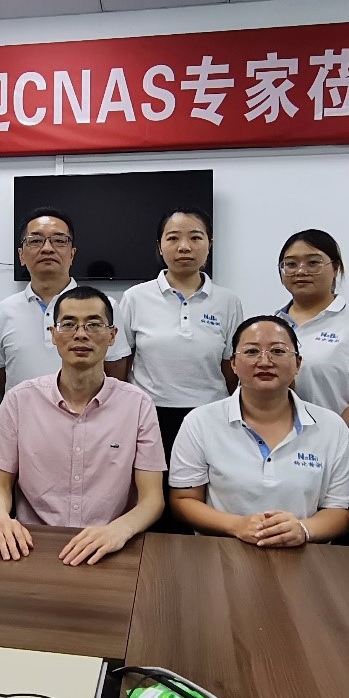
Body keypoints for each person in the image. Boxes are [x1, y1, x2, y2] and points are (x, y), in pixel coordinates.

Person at [0, 286, 165, 566]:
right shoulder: (19, 400)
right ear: (53, 334)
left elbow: (152, 499)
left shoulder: (138, 405)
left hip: (109, 546)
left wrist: (119, 530)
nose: (81, 334)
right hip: (32, 543)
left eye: (94, 324)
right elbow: (0, 484)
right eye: (68, 324)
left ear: (112, 336)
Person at [169, 315, 349, 544]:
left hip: (305, 553)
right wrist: (237, 526)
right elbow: (184, 499)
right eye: (251, 351)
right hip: (222, 550)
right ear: (233, 363)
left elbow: (342, 509)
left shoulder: (331, 427)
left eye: (278, 351)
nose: (264, 361)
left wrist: (302, 529)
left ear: (298, 363)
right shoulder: (200, 422)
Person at [117, 207, 242, 531]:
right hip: (150, 417)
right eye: (173, 238)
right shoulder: (135, 298)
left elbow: (231, 366)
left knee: (203, 504)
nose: (184, 247)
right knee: (152, 505)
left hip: (210, 418)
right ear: (160, 246)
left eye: (195, 237)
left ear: (209, 245)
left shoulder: (228, 301)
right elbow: (121, 363)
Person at [273, 229, 349, 546]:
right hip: (275, 448)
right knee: (282, 532)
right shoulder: (271, 325)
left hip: (343, 447)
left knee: (337, 542)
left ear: (335, 268)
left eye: (313, 262)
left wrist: (327, 442)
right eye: (290, 264)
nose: (301, 270)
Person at [0, 207, 128, 396]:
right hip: (24, 413)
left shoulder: (106, 307)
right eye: (35, 241)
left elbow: (115, 377)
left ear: (72, 254)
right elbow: (2, 378)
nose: (47, 248)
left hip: (89, 413)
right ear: (21, 255)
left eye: (59, 240)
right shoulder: (0, 313)